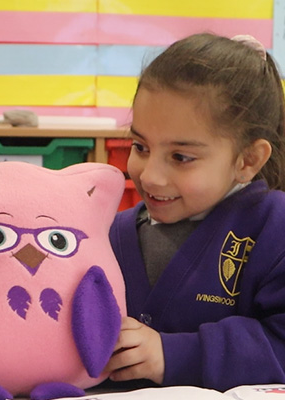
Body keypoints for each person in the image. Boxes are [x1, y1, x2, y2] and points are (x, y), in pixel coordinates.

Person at [105, 33, 285, 391]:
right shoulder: (110, 232)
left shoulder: (274, 228)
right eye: (140, 146)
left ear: (247, 160)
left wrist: (173, 354)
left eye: (181, 157)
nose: (150, 175)